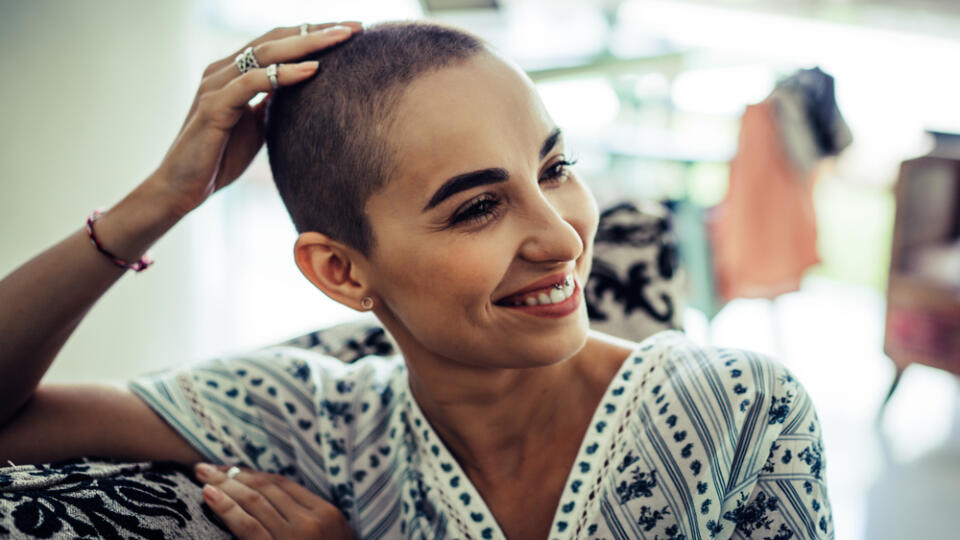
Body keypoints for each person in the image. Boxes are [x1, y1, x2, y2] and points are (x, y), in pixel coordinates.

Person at [0, 19, 833, 540]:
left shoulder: (740, 406)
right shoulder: (311, 420)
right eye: (476, 207)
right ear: (341, 270)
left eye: (555, 166)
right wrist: (159, 202)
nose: (561, 236)